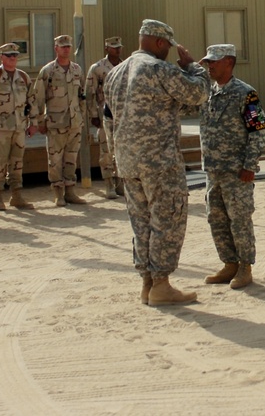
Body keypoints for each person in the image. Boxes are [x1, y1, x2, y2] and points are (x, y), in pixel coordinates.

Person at [105, 19, 210, 306]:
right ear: (160, 43)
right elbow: (199, 93)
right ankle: (161, 285)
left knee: (141, 222)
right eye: (169, 47)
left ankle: (147, 284)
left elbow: (109, 117)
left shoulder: (114, 74)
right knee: (167, 219)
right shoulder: (158, 68)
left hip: (127, 160)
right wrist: (193, 67)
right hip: (158, 161)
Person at [199, 44, 265, 290]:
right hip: (213, 170)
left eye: (214, 61)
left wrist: (250, 164)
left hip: (237, 171)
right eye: (207, 61)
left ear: (229, 62)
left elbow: (259, 131)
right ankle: (229, 263)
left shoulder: (245, 93)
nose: (209, 65)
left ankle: (244, 267)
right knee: (216, 218)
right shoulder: (207, 91)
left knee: (239, 219)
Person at [0, 43, 36, 211]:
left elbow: (31, 101)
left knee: (17, 162)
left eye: (15, 55)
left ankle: (16, 196)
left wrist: (34, 123)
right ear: (1, 57)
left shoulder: (23, 77)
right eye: (9, 55)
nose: (12, 58)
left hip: (19, 127)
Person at [33, 35, 88, 207]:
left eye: (68, 46)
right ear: (55, 48)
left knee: (71, 157)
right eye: (62, 46)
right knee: (55, 159)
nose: (66, 49)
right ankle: (58, 192)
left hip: (74, 122)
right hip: (56, 122)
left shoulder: (77, 70)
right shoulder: (48, 71)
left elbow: (82, 96)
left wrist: (81, 116)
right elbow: (38, 98)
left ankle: (71, 191)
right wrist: (40, 121)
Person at [86, 36, 123, 199]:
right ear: (107, 48)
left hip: (123, 115)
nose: (117, 50)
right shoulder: (98, 68)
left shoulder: (125, 66)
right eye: (114, 47)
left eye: (119, 47)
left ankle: (120, 182)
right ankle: (108, 183)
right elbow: (90, 93)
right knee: (106, 150)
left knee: (121, 149)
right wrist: (93, 115)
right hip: (104, 114)